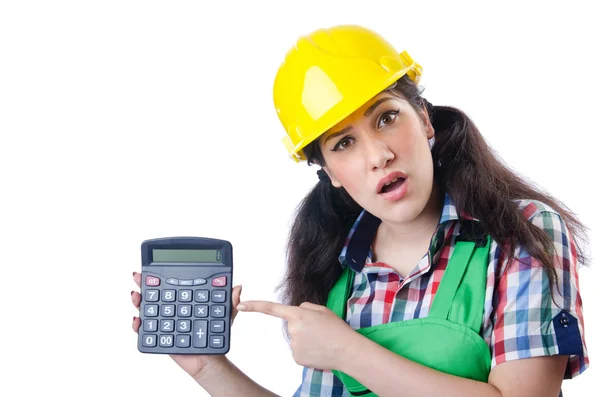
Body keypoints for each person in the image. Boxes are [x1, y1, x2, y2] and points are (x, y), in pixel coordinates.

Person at [130, 24, 590, 396]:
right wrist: (208, 368)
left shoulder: (519, 234)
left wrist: (348, 352)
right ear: (329, 170)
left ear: (425, 120)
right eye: (344, 143)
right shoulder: (333, 275)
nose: (377, 156)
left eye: (386, 118)